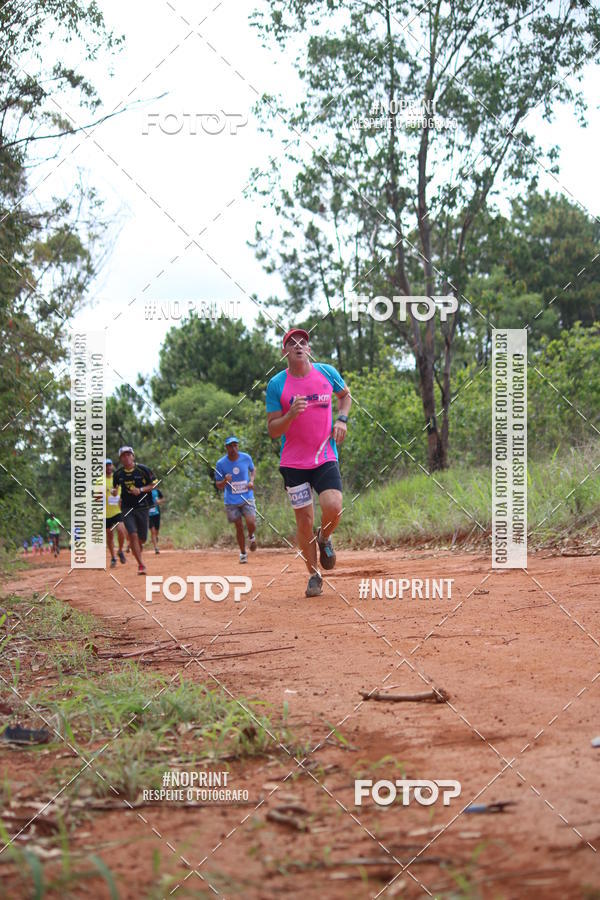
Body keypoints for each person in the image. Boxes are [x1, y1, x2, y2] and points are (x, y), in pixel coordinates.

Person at [266, 328, 351, 597]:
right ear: (284, 352)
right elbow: (273, 429)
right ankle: (314, 575)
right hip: (293, 463)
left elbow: (345, 396)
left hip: (324, 455)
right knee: (304, 521)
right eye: (292, 343)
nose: (298, 346)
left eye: (303, 342)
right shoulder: (277, 385)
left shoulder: (326, 373)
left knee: (334, 506)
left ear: (309, 349)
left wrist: (342, 419)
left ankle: (325, 537)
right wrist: (290, 414)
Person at [112, 446, 157, 575]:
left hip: (142, 507)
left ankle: (137, 546)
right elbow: (115, 489)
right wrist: (114, 492)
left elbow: (154, 484)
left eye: (128, 455)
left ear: (133, 456)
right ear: (120, 459)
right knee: (133, 534)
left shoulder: (143, 470)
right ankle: (141, 565)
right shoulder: (118, 474)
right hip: (127, 508)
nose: (126, 458)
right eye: (123, 456)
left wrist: (141, 490)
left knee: (141, 538)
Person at [214, 437, 257, 564]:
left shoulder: (246, 458)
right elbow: (218, 485)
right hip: (231, 501)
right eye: (230, 446)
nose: (233, 448)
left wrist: (251, 481)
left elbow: (253, 469)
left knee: (251, 522)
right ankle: (243, 553)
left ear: (238, 446)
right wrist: (225, 481)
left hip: (247, 497)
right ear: (226, 448)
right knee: (238, 526)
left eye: (235, 445)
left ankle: (251, 536)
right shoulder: (220, 464)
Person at [105, 458, 127, 568]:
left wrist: (117, 495)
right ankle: (113, 557)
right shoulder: (99, 481)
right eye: (106, 466)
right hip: (104, 513)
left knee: (121, 530)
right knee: (109, 536)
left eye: (109, 465)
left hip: (117, 511)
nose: (108, 468)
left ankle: (120, 550)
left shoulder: (117, 478)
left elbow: (121, 494)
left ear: (112, 466)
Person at [148, 486, 164, 554]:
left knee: (156, 530)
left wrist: (159, 501)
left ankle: (156, 537)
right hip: (148, 515)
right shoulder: (146, 492)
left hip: (156, 513)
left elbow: (163, 498)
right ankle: (156, 548)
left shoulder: (157, 491)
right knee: (153, 530)